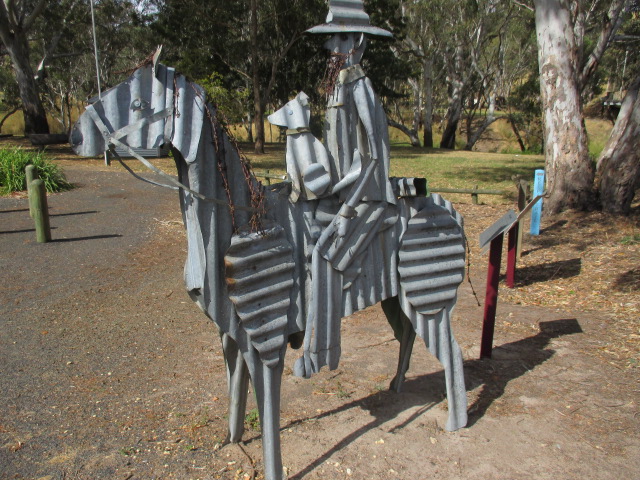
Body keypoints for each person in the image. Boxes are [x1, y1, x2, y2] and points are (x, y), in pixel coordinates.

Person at [294, 0, 398, 378]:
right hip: (342, 194)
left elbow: (371, 157)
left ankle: (319, 351)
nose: (329, 48)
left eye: (336, 39)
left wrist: (347, 210)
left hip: (368, 198)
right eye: (329, 40)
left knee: (324, 255)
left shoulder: (360, 86)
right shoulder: (338, 86)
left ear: (355, 41)